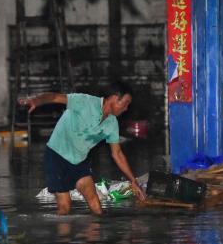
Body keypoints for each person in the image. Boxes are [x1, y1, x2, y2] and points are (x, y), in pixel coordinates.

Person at [19, 82, 146, 215]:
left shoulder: (112, 123)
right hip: (57, 157)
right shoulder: (85, 102)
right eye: (125, 103)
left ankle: (95, 233)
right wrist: (36, 100)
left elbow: (117, 154)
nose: (126, 108)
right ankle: (62, 235)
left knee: (96, 207)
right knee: (65, 207)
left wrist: (133, 181)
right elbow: (55, 97)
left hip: (79, 162)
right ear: (114, 98)